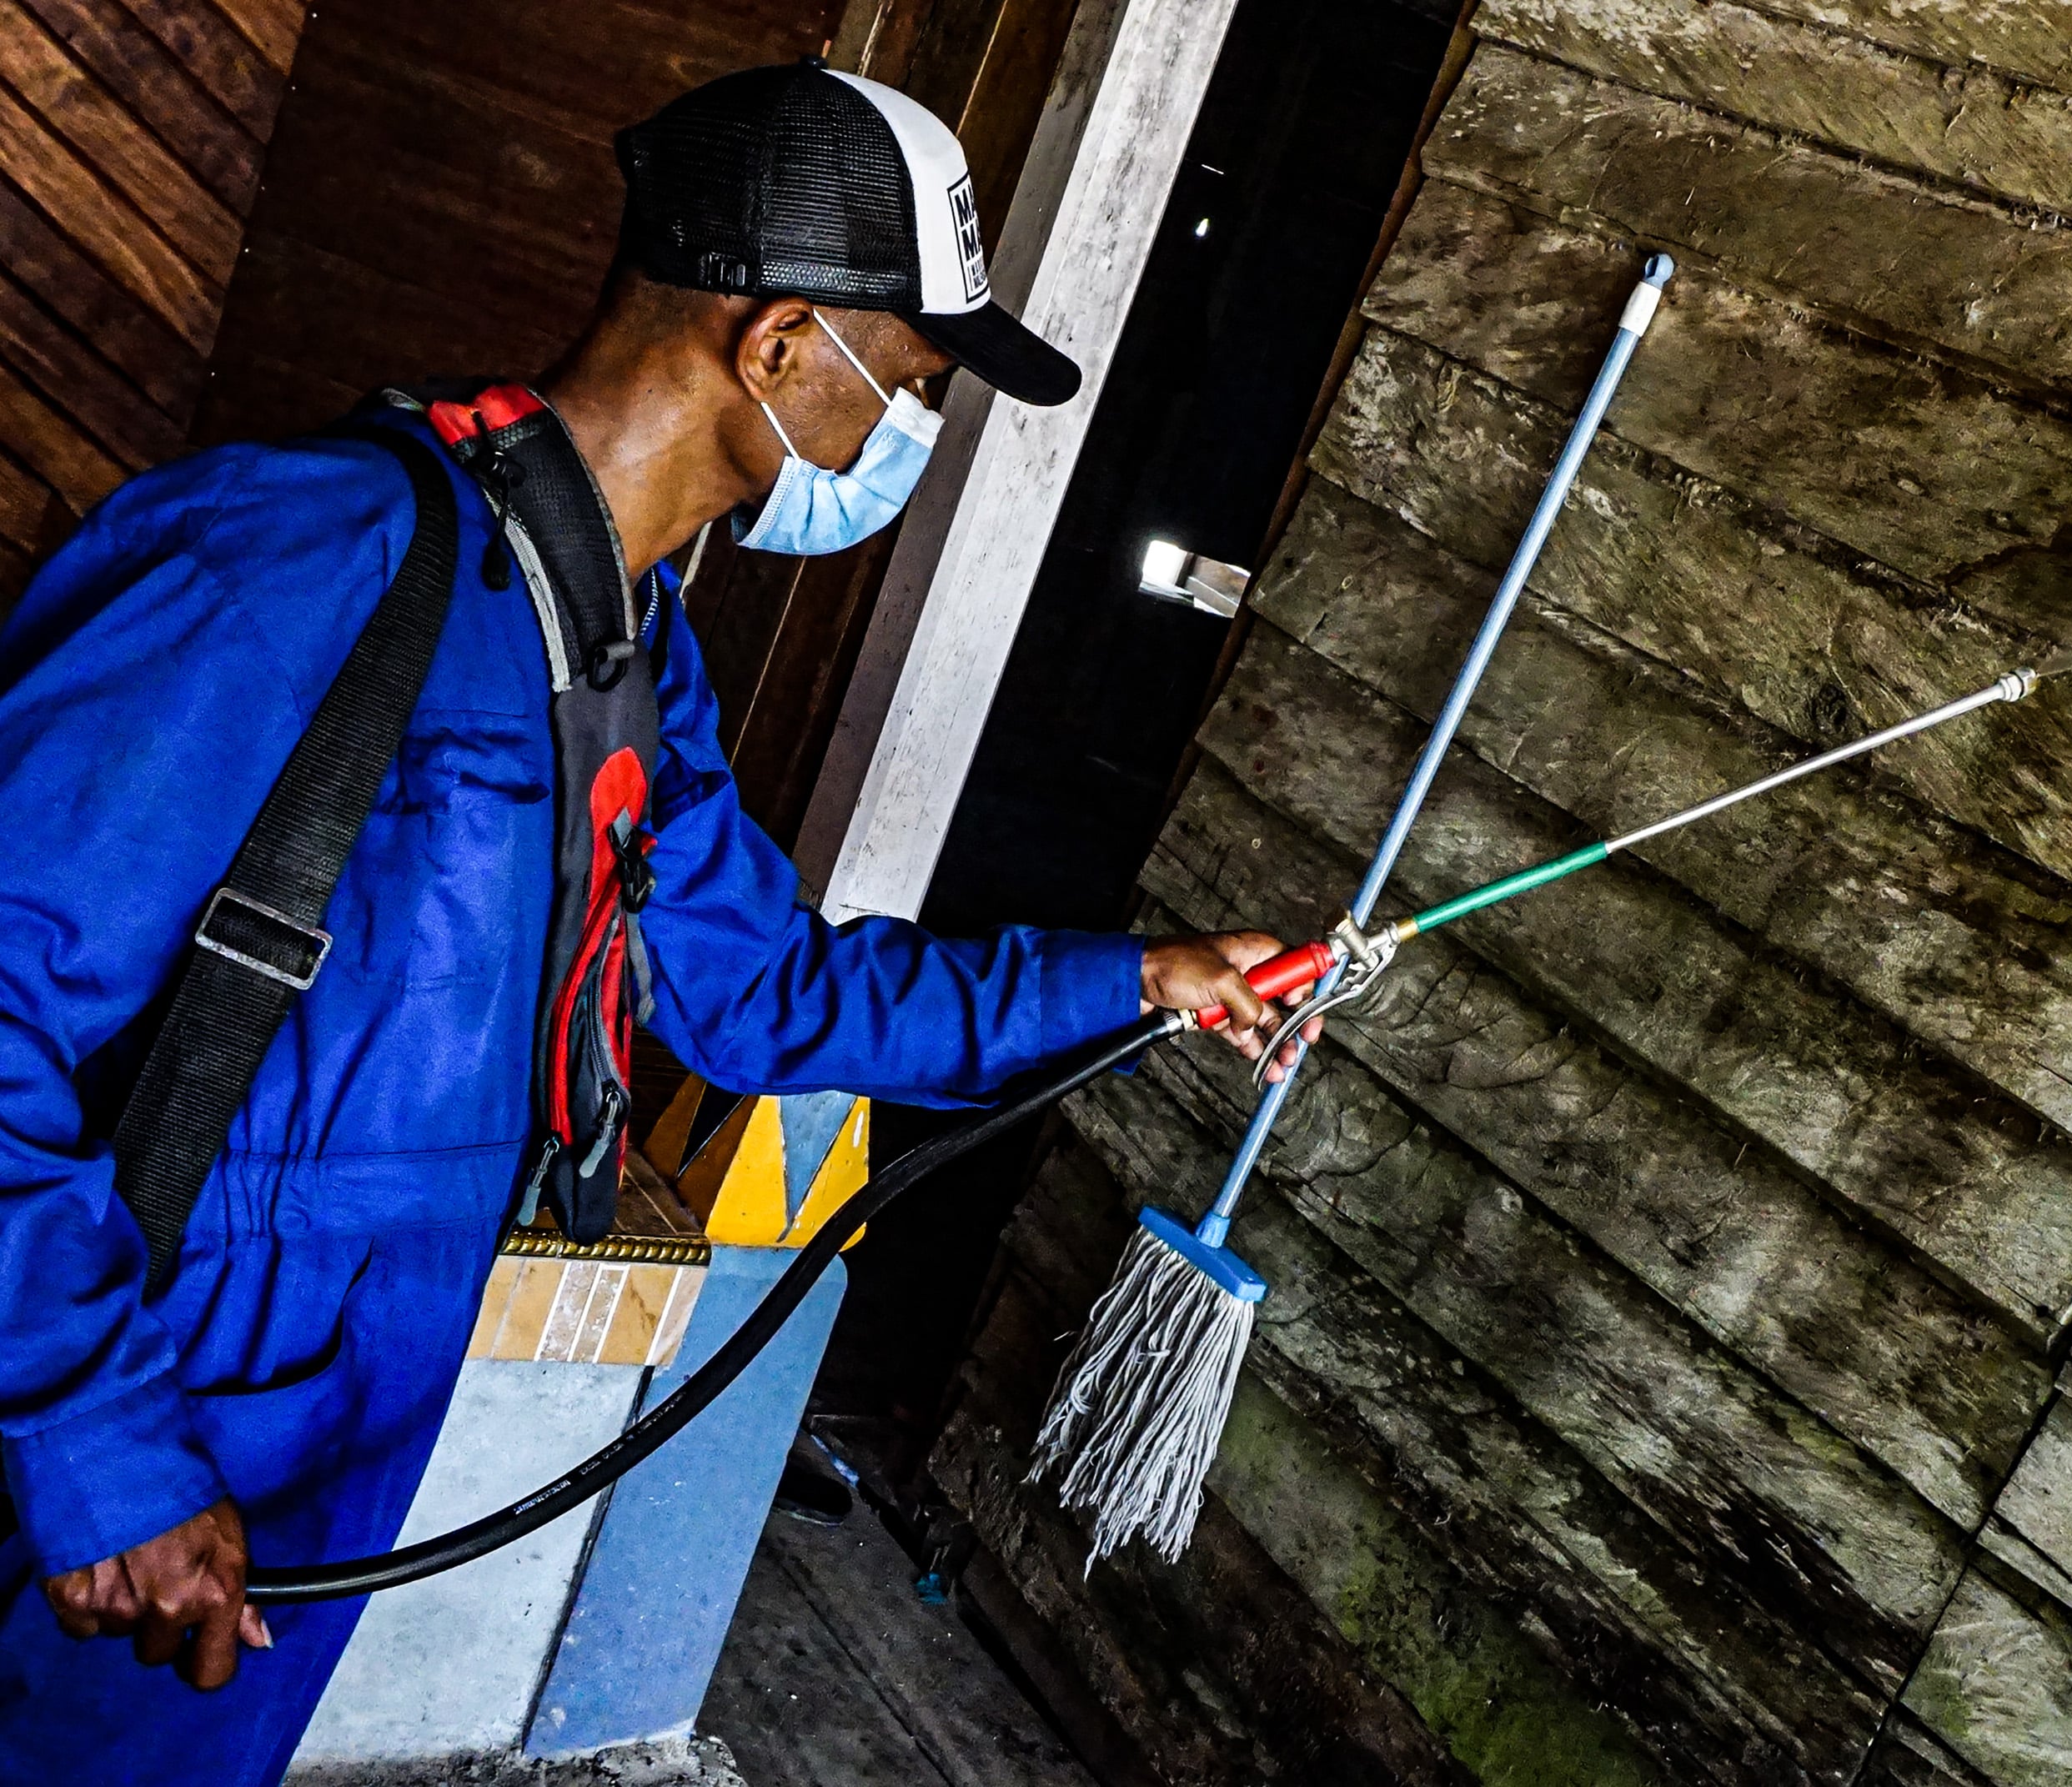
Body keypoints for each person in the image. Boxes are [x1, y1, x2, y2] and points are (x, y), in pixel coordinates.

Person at [0, 62, 1312, 1784]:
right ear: (775, 348)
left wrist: (1140, 978)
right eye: (906, 386)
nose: (903, 439)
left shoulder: (633, 667)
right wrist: (103, 1447)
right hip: (98, 1427)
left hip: (308, 1458)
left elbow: (765, 997)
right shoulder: (305, 551)